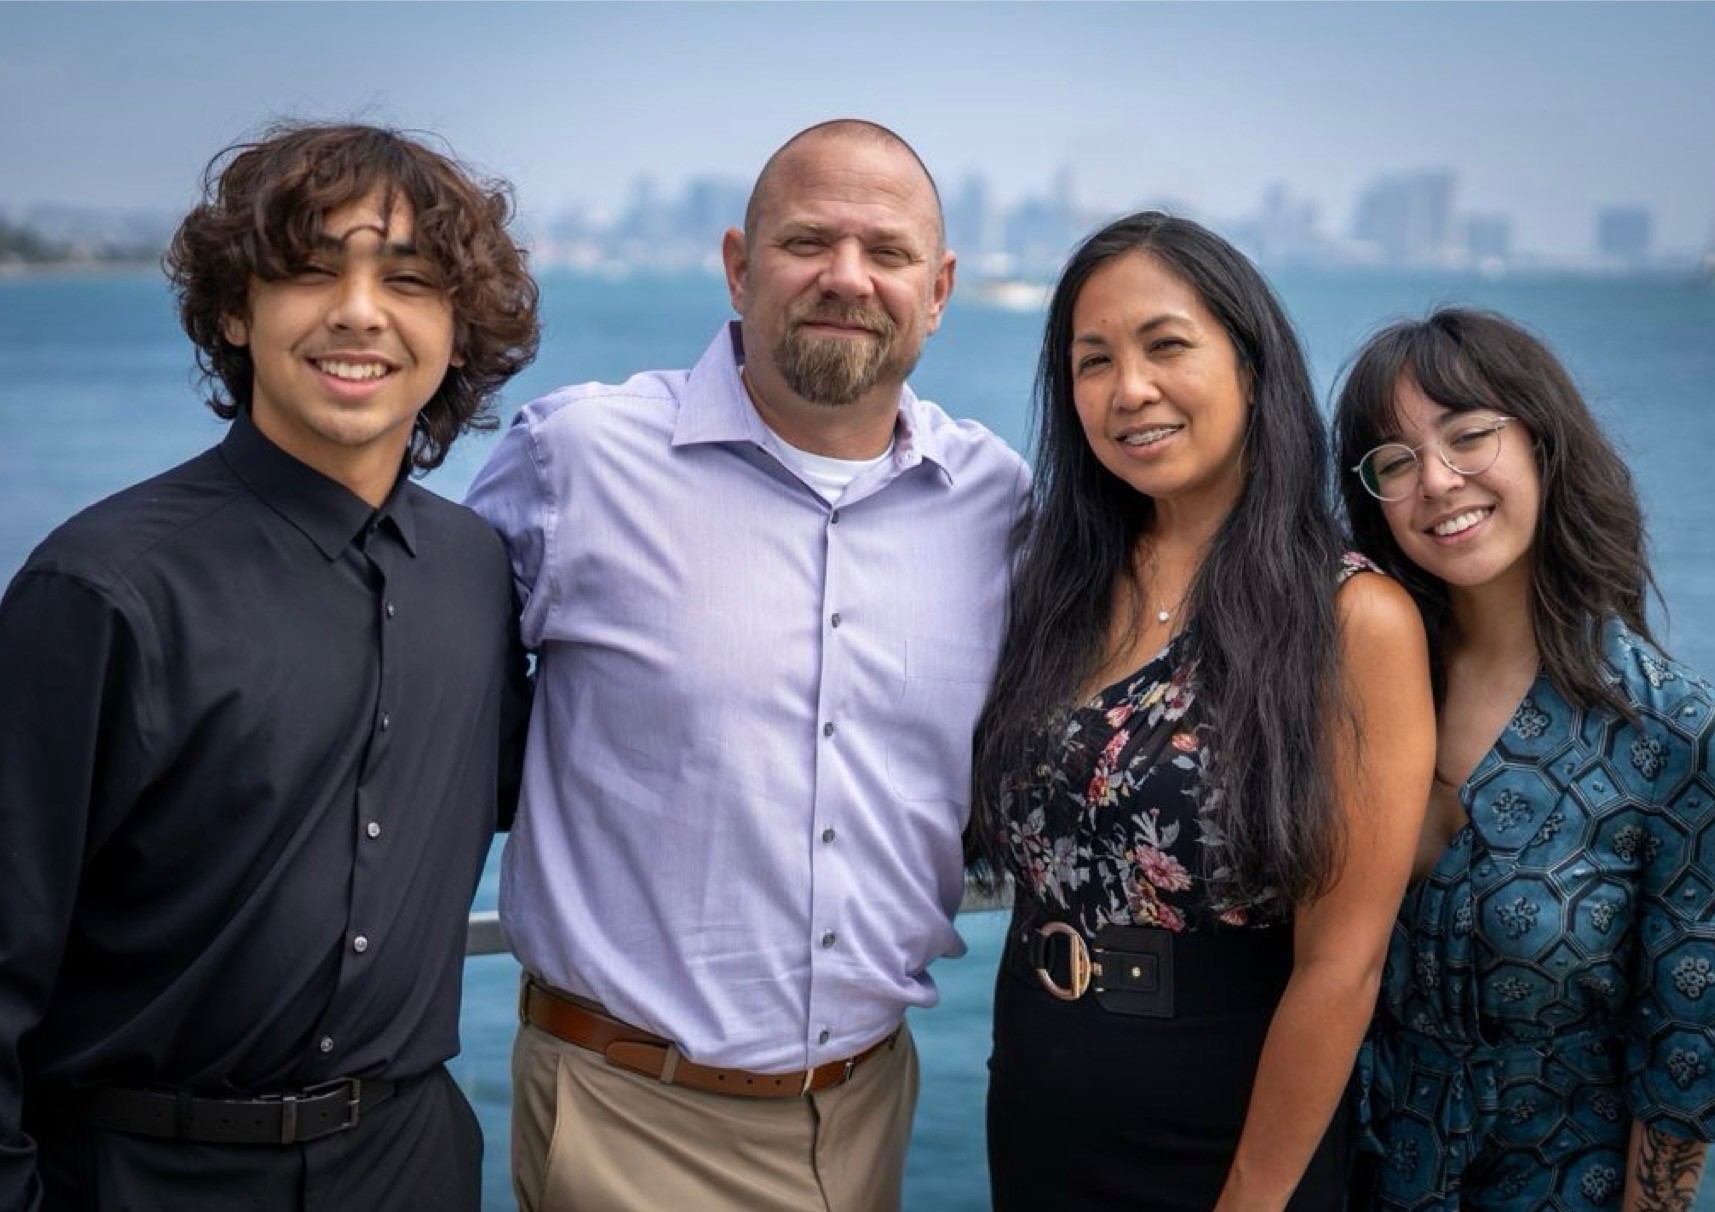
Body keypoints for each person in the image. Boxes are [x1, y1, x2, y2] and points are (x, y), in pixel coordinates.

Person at [464, 118, 1030, 1212]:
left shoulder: (992, 500)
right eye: (806, 242)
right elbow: (425, 686)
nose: (846, 278)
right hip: (623, 1112)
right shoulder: (573, 460)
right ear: (736, 264)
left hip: (868, 1105)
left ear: (940, 286)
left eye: (888, 253)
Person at [0, 123, 539, 1212]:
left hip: (410, 1166)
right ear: (236, 314)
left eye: (409, 279)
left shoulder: (479, 570)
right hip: (139, 1175)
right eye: (306, 271)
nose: (357, 310)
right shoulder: (102, 589)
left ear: (454, 328)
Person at [968, 211, 1436, 1211]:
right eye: (1091, 361)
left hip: (1223, 1135)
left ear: (1250, 365)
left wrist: (1253, 1199)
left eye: (1165, 345)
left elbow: (1340, 968)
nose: (1126, 388)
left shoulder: (1350, 620)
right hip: (1037, 1106)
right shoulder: (1052, 584)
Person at [1334, 308, 1715, 1211]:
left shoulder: (1666, 728)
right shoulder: (1354, 685)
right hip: (1353, 1181)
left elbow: (1682, 1058)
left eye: (1468, 437)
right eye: (1393, 461)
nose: (1434, 481)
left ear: (1543, 445)